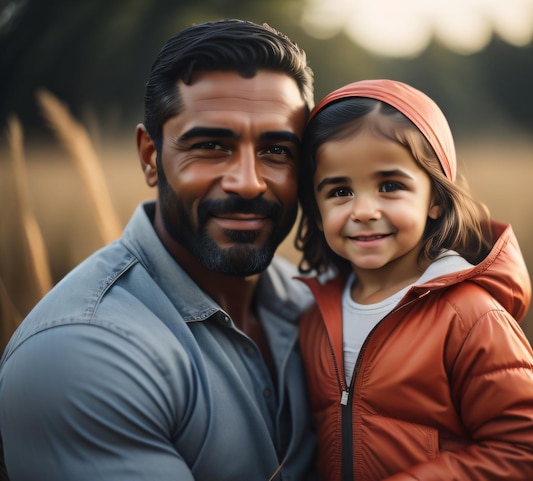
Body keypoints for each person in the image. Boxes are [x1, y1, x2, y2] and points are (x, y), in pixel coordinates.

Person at [0, 19, 317, 481]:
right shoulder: (79, 354)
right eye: (210, 145)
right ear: (151, 157)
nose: (249, 182)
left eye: (277, 150)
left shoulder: (319, 303)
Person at [294, 79, 533, 480]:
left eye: (390, 186)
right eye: (339, 191)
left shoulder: (471, 317)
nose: (364, 210)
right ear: (316, 212)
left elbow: (530, 450)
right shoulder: (315, 316)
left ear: (435, 198)